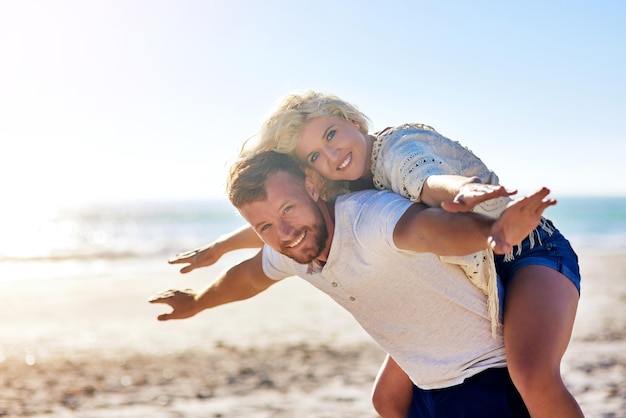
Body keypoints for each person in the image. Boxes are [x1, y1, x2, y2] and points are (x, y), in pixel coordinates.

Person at [170, 91, 583, 418]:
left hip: (527, 248)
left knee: (532, 374)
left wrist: (465, 195)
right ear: (311, 175)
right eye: (314, 155)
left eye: (331, 135)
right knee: (387, 399)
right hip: (479, 253)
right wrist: (219, 251)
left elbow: (427, 181)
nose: (330, 154)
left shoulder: (396, 149)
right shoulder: (339, 187)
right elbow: (277, 227)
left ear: (352, 120)